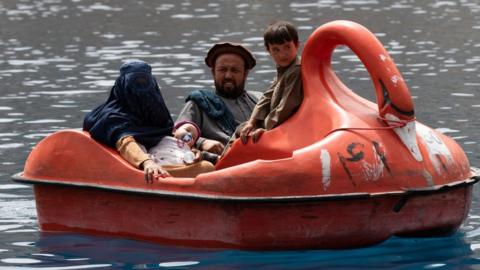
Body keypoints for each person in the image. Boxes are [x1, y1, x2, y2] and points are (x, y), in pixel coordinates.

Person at [83, 60, 214, 182]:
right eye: (135, 84)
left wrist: (191, 152)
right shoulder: (113, 117)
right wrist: (147, 163)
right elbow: (126, 142)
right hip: (140, 164)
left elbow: (168, 137)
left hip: (161, 155)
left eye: (145, 83)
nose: (141, 90)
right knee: (205, 168)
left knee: (205, 164)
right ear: (122, 86)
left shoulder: (155, 110)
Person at [176, 42, 262, 159]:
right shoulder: (199, 102)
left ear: (245, 74)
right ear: (213, 72)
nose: (228, 75)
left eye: (234, 70)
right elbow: (177, 135)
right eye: (222, 69)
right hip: (221, 162)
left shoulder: (259, 100)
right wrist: (202, 142)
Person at [239, 21, 303, 144]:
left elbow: (286, 106)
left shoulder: (296, 71)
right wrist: (252, 121)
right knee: (243, 128)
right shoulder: (284, 69)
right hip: (277, 123)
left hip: (287, 127)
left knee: (244, 135)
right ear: (268, 51)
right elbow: (267, 96)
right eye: (276, 50)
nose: (282, 54)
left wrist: (266, 129)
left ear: (297, 45)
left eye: (287, 47)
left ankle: (220, 161)